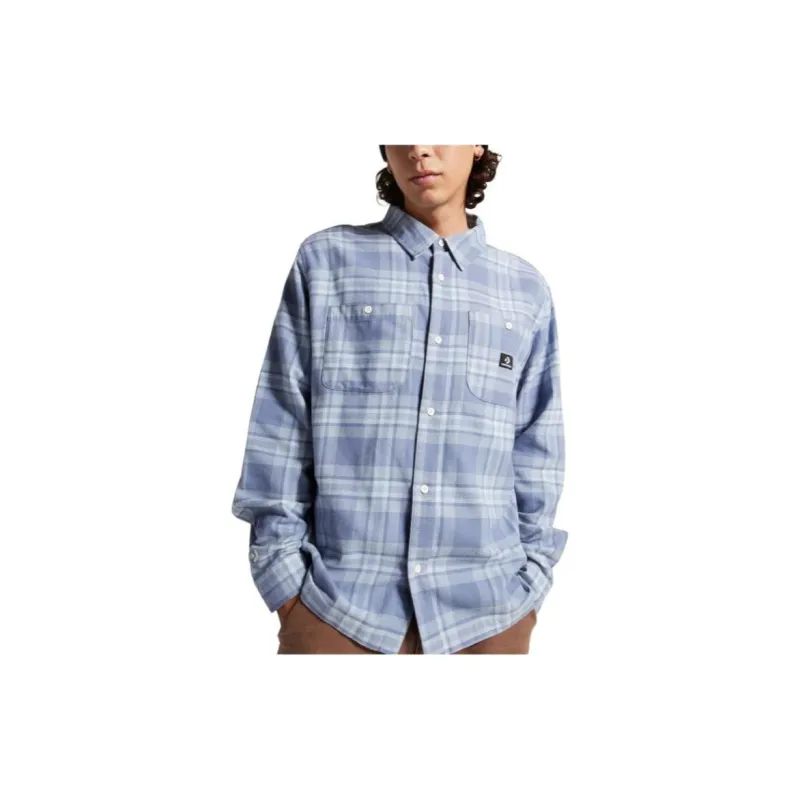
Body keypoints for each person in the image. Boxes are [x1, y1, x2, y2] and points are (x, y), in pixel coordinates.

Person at [231, 145, 568, 654]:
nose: (419, 149)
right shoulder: (327, 261)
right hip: (339, 609)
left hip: (489, 614)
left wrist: (531, 584)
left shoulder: (524, 289)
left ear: (477, 142)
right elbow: (280, 422)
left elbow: (538, 447)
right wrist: (286, 586)